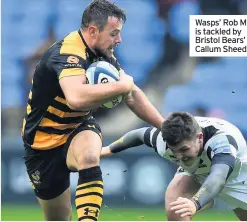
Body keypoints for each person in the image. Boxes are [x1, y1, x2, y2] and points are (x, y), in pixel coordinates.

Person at [21, 0, 164, 221]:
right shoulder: (67, 53)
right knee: (58, 218)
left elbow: (132, 94)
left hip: (77, 128)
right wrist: (122, 85)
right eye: (114, 34)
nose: (119, 40)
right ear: (93, 31)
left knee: (89, 157)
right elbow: (76, 98)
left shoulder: (102, 53)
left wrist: (164, 127)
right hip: (42, 144)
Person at [101, 112, 247, 221]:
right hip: (196, 174)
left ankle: (207, 201)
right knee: (176, 208)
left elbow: (219, 177)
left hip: (238, 181)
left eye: (184, 149)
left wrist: (195, 202)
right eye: (174, 151)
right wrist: (108, 150)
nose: (179, 156)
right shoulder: (165, 140)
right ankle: (206, 200)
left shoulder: (222, 141)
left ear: (199, 138)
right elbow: (138, 135)